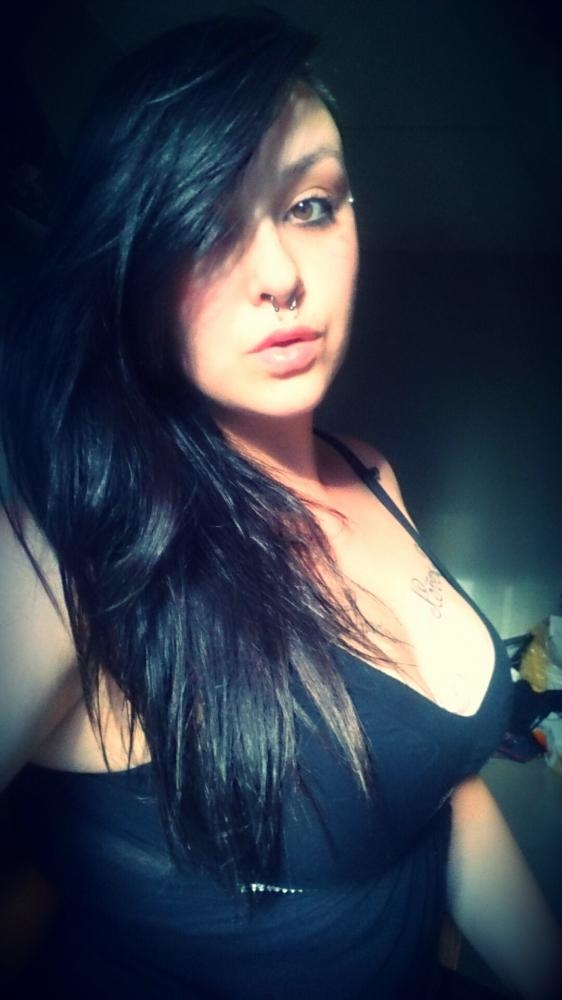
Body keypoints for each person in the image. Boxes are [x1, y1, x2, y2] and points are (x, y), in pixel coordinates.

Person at [0, 10, 560, 999]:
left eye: (309, 204)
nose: (280, 277)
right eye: (205, 222)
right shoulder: (69, 548)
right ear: (128, 261)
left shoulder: (371, 471)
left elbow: (445, 793)